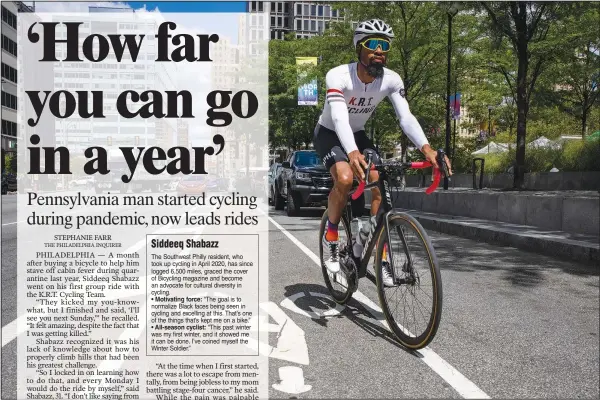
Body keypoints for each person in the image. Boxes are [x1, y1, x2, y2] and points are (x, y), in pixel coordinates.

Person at [313, 18, 452, 286]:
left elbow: (406, 117)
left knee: (379, 182)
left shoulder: (391, 79)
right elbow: (340, 118)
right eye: (373, 44)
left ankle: (375, 253)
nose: (380, 50)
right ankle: (331, 236)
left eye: (384, 45)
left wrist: (427, 149)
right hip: (329, 133)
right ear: (359, 48)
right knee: (344, 178)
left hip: (359, 134)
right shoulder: (338, 75)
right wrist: (352, 153)